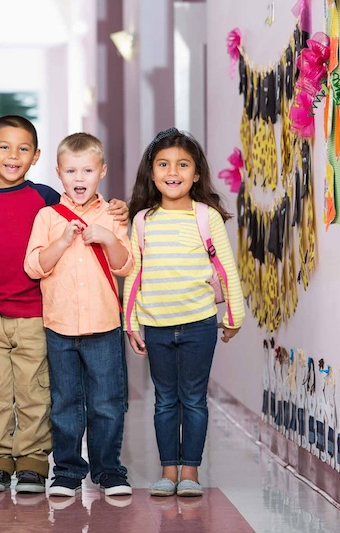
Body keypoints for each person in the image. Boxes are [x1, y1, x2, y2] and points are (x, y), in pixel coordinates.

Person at [0, 117, 129, 493]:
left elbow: (85, 207)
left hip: (39, 314)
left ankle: (35, 461)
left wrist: (119, 210)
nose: (12, 156)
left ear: (35, 157)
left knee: (37, 391)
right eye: (3, 147)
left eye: (23, 149)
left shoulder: (48, 199)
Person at [122, 127, 245, 497]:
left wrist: (234, 316)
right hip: (156, 326)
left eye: (182, 164)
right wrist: (131, 323)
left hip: (199, 325)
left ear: (195, 173)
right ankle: (168, 470)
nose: (172, 171)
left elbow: (227, 267)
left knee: (192, 398)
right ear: (152, 172)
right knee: (165, 400)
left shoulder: (206, 217)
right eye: (163, 164)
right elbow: (134, 274)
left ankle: (190, 472)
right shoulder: (143, 220)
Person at [25, 132, 134, 497]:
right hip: (60, 326)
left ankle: (108, 470)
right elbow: (33, 266)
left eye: (87, 170)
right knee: (65, 403)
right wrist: (61, 241)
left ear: (101, 171)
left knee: (107, 403)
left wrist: (108, 237)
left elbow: (125, 265)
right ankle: (68, 471)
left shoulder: (113, 215)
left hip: (104, 325)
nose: (79, 178)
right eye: (71, 170)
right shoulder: (47, 217)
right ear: (59, 173)